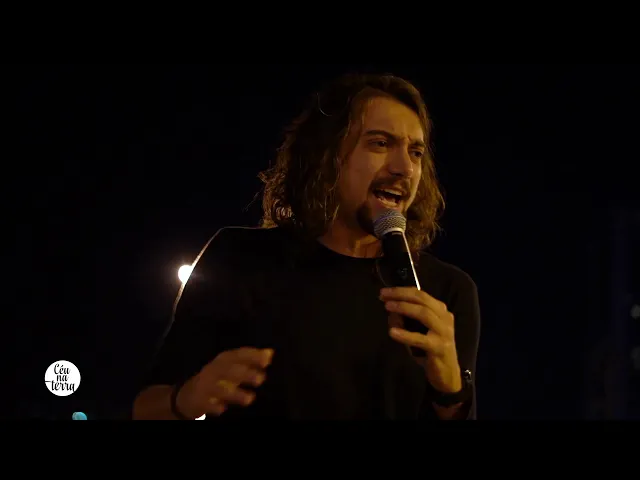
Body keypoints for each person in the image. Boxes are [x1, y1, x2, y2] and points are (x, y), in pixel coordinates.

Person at [132, 73, 481, 420]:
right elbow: (142, 408)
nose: (404, 167)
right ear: (326, 155)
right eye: (380, 143)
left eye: (416, 152)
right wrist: (187, 398)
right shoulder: (239, 258)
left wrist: (450, 388)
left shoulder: (446, 291)